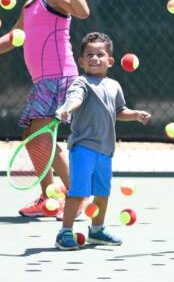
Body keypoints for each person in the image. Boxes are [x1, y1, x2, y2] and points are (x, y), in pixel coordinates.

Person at [0, 0, 90, 217]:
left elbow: (83, 11)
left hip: (60, 78)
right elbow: (13, 39)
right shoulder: (28, 7)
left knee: (38, 136)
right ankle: (52, 198)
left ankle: (76, 196)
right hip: (44, 82)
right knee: (35, 136)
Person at [54, 32, 151, 250]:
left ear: (110, 61)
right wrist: (66, 110)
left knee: (102, 192)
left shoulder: (114, 85)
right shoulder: (81, 82)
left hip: (106, 150)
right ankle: (65, 232)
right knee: (78, 192)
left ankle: (97, 231)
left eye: (100, 54)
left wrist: (134, 114)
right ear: (81, 61)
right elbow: (75, 100)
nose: (94, 58)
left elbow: (119, 110)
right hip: (83, 148)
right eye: (89, 54)